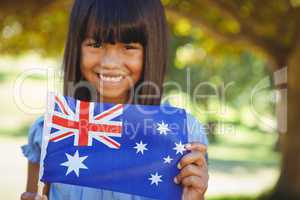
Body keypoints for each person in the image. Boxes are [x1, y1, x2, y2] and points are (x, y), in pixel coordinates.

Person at [20, 0, 209, 199]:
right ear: (76, 47)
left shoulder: (185, 135)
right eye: (95, 44)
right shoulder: (50, 129)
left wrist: (194, 197)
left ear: (152, 50)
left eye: (129, 46)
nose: (110, 63)